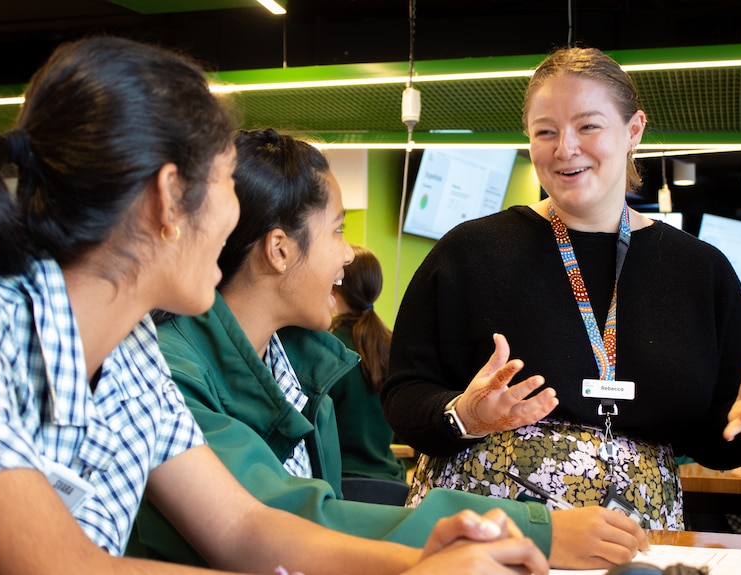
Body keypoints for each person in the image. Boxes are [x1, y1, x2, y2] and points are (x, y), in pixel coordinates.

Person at [0, 37, 549, 575]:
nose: (233, 220)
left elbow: (241, 525)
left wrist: (415, 561)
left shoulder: (131, 352)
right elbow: (65, 566)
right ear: (170, 198)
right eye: (226, 182)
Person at [133, 128, 648, 571]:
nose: (348, 251)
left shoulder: (299, 367)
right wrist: (533, 532)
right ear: (280, 249)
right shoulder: (170, 371)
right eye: (337, 229)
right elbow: (279, 522)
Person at [381, 45, 741, 532]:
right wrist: (466, 415)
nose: (565, 148)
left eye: (588, 126)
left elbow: (720, 442)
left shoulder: (701, 272)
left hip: (637, 533)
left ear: (634, 131)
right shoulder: (468, 252)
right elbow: (403, 396)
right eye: (545, 131)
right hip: (487, 527)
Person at [329, 244, 406, 483]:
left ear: (335, 281)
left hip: (339, 485)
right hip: (393, 484)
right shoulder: (394, 344)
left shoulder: (326, 348)